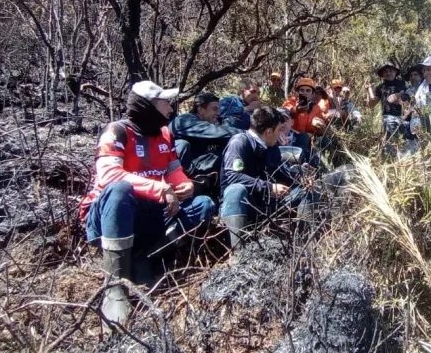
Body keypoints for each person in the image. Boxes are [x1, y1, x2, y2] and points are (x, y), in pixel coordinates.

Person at [81, 81, 215, 325]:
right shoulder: (117, 131)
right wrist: (160, 188)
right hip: (110, 215)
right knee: (120, 190)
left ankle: (144, 257)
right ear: (147, 105)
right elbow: (109, 176)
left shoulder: (164, 133)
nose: (170, 108)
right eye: (164, 102)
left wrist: (184, 184)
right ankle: (115, 285)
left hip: (151, 213)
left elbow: (173, 169)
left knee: (203, 204)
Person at [219, 107, 319, 248]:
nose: (280, 134)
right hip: (241, 206)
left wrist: (300, 179)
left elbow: (279, 172)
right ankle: (238, 256)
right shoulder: (239, 142)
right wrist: (270, 187)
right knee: (236, 190)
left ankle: (308, 246)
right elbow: (233, 177)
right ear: (269, 131)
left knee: (305, 192)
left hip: (265, 204)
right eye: (278, 130)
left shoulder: (271, 147)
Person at [169, 93, 242, 194]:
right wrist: (249, 134)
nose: (218, 113)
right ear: (201, 109)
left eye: (219, 109)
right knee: (181, 144)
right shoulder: (185, 120)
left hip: (193, 166)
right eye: (214, 109)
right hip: (170, 170)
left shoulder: (209, 124)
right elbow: (215, 131)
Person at [366, 62, 406, 156]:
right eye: (386, 72)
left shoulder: (403, 84)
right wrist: (368, 90)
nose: (388, 73)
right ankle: (392, 160)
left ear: (395, 72)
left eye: (391, 71)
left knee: (404, 141)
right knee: (390, 140)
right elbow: (371, 104)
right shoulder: (380, 87)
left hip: (404, 117)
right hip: (388, 117)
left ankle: (403, 159)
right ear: (382, 75)